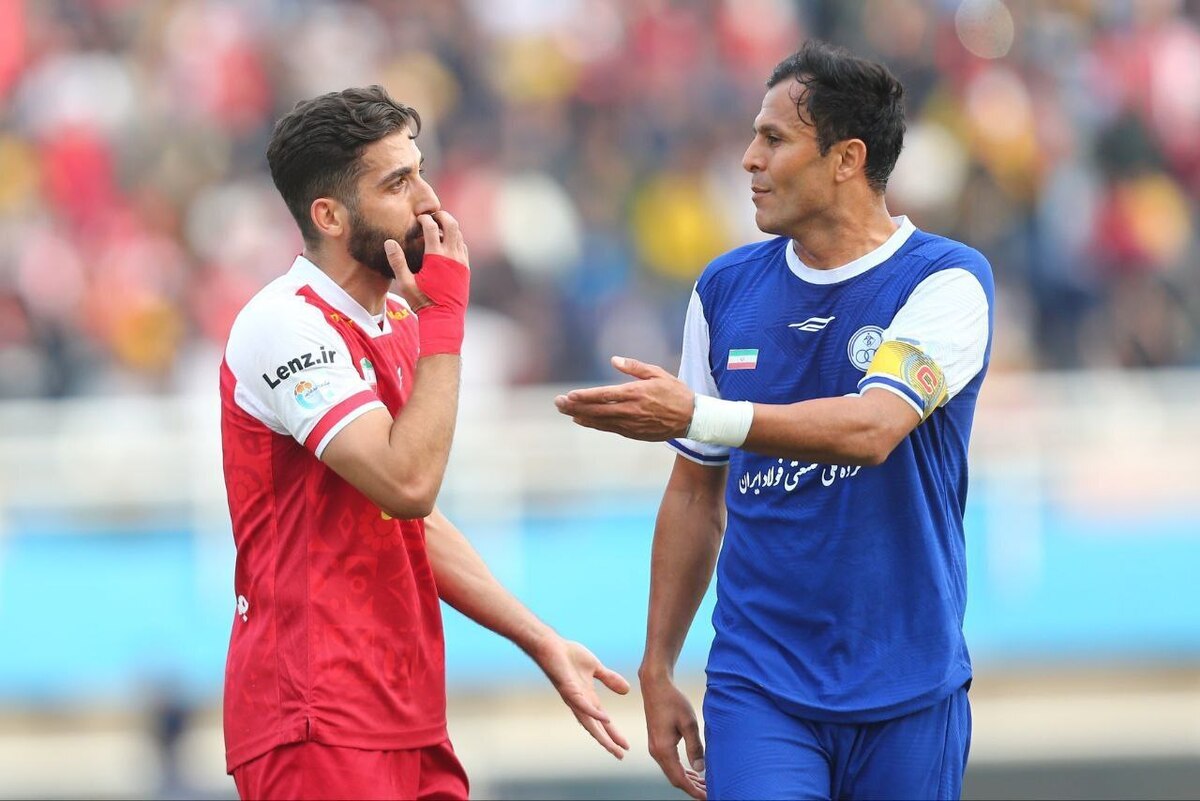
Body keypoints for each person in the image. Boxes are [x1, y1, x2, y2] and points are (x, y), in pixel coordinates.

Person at [556, 41, 993, 801]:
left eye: (774, 138)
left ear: (847, 158)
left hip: (909, 681)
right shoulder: (725, 290)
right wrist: (657, 666)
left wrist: (700, 413)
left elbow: (872, 428)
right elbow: (695, 492)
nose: (749, 159)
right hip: (761, 685)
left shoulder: (945, 281)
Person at [219, 85, 630, 801]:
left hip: (404, 708)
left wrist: (538, 638)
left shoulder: (397, 324)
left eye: (421, 172)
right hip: (314, 712)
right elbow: (406, 483)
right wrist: (444, 320)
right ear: (329, 215)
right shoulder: (285, 324)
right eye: (397, 183)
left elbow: (412, 522)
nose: (429, 201)